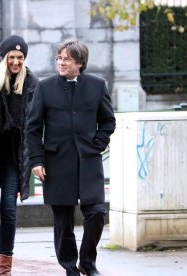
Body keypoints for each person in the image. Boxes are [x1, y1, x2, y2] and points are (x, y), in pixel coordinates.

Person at [26, 38, 116, 276]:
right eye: (59, 58)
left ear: (80, 63)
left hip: (89, 161)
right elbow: (32, 128)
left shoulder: (97, 86)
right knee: (63, 221)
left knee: (97, 212)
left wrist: (98, 143)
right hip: (57, 163)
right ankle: (69, 267)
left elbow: (108, 121)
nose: (61, 62)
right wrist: (36, 160)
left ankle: (87, 262)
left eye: (67, 59)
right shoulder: (45, 88)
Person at [0, 34, 38, 276]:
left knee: (9, 211)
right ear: (4, 57)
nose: (15, 61)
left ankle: (4, 265)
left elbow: (34, 124)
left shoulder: (31, 82)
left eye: (20, 57)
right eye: (11, 57)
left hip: (13, 158)